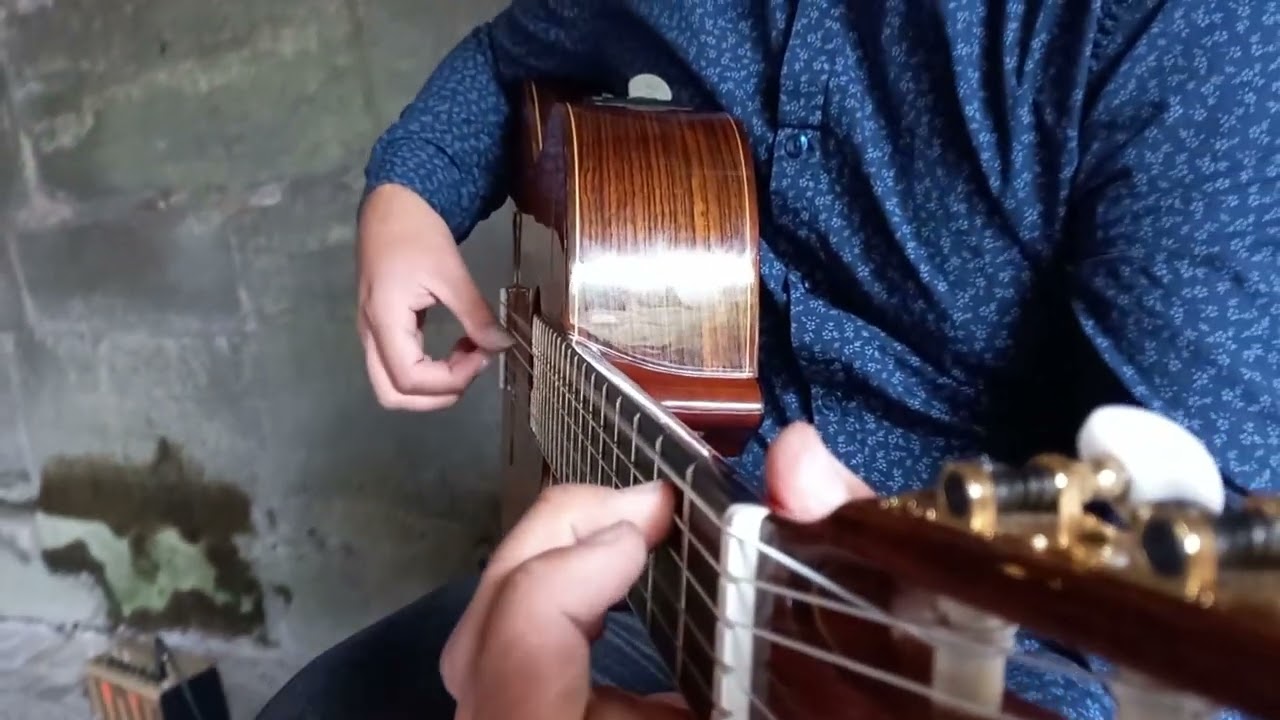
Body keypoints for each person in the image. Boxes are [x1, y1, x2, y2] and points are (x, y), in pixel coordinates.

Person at [260, 0, 1278, 718]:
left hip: (929, 663)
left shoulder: (1187, 31)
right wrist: (406, 205)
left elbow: (1188, 582)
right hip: (640, 549)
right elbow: (502, 58)